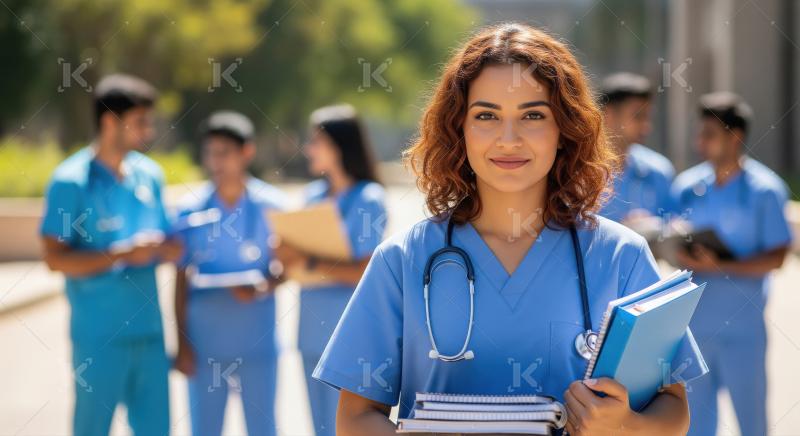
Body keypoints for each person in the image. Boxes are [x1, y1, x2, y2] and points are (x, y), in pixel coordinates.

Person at [312, 23, 709, 436]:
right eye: (486, 115)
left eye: (533, 115)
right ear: (458, 128)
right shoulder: (403, 260)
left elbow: (673, 409)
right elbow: (355, 417)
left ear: (564, 130)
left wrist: (625, 424)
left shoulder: (620, 255)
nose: (508, 139)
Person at [39, 74, 182, 435]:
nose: (148, 132)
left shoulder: (150, 176)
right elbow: (55, 258)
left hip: (149, 334)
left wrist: (169, 249)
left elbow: (163, 242)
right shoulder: (70, 181)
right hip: (98, 337)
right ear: (109, 121)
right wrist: (119, 254)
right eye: (140, 122)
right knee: (92, 429)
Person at [671, 92, 793, 436]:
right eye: (700, 133)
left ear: (734, 136)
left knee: (751, 422)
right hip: (695, 329)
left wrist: (722, 267)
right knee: (695, 425)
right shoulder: (687, 187)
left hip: (744, 330)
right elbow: (674, 234)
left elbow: (778, 257)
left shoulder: (765, 190)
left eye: (709, 133)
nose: (701, 142)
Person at [272, 104, 387, 436]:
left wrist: (307, 260)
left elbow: (365, 269)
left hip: (350, 334)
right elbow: (294, 264)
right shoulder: (312, 195)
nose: (309, 149)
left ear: (339, 146)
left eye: (316, 141)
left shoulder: (369, 197)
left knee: (349, 427)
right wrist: (284, 256)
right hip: (310, 332)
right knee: (319, 427)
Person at [173, 111, 288, 436]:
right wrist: (182, 344)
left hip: (258, 342)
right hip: (205, 342)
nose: (215, 161)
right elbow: (179, 281)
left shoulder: (274, 206)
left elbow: (287, 269)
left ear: (246, 152)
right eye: (210, 152)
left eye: (224, 152)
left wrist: (263, 286)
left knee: (262, 428)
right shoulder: (189, 210)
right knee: (205, 429)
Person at [599, 72, 677, 224]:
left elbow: (674, 225)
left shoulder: (659, 171)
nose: (646, 126)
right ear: (608, 115)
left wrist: (656, 226)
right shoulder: (576, 173)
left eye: (648, 117)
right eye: (638, 116)